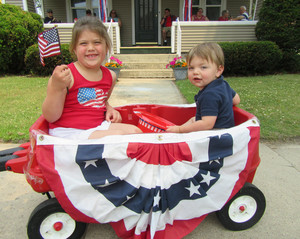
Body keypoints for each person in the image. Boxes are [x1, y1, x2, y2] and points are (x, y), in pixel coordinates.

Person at [42, 16, 142, 140]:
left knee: (135, 132)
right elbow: (50, 116)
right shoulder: (66, 76)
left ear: (107, 47)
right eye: (83, 43)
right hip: (68, 133)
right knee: (119, 137)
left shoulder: (110, 76)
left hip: (96, 127)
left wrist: (109, 108)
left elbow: (100, 100)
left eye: (97, 42)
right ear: (74, 48)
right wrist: (56, 87)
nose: (91, 48)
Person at [166, 43, 240, 133]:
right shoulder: (223, 84)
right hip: (224, 129)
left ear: (218, 70)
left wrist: (180, 130)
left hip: (215, 135)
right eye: (191, 68)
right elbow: (236, 100)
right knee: (194, 120)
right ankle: (175, 130)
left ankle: (177, 131)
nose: (195, 72)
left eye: (203, 67)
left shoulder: (210, 95)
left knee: (196, 122)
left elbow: (207, 124)